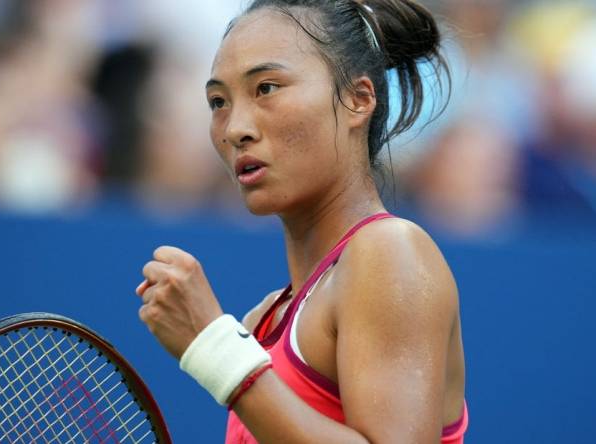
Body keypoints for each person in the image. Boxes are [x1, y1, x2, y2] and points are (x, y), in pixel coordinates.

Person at [135, 1, 468, 442]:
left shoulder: (391, 253)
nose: (235, 128)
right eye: (218, 101)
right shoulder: (262, 322)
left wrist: (219, 353)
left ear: (357, 99)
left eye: (267, 88)